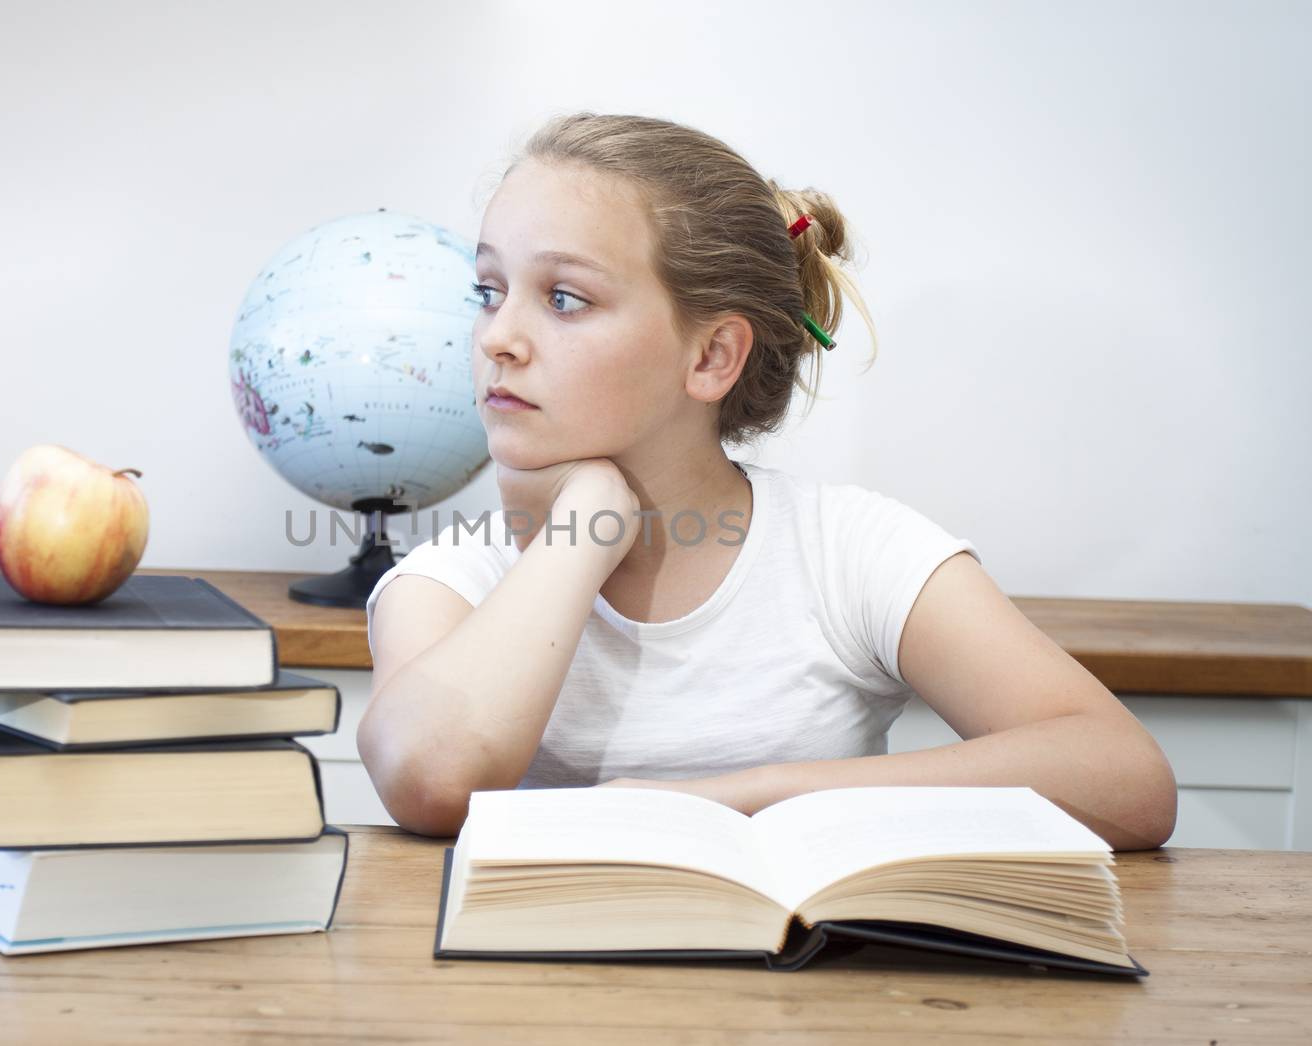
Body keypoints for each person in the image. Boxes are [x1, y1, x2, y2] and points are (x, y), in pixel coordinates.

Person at [357, 111, 1177, 848]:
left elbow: (1126, 780)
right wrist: (589, 522)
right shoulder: (452, 577)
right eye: (488, 291)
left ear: (712, 355)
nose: (498, 336)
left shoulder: (847, 552)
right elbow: (430, 779)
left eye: (564, 298)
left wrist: (737, 799)